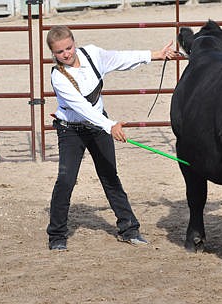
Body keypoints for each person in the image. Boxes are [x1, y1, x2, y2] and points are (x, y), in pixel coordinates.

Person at [46, 25, 178, 250]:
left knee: (110, 176)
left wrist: (155, 55)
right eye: (60, 52)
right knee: (66, 180)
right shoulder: (59, 77)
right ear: (53, 54)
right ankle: (57, 235)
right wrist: (110, 126)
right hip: (71, 130)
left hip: (100, 126)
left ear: (74, 43)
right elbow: (82, 108)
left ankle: (129, 229)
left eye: (69, 48)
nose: (66, 54)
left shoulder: (93, 54)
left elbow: (119, 58)